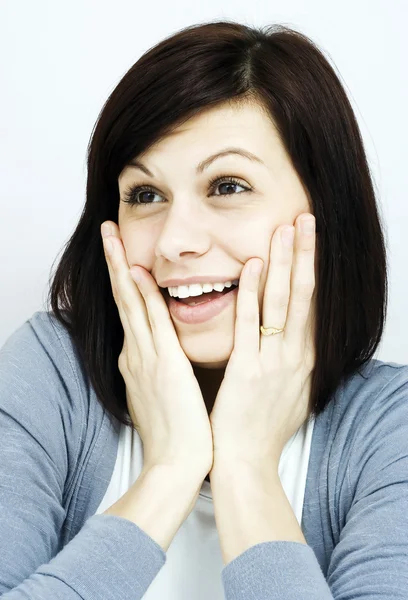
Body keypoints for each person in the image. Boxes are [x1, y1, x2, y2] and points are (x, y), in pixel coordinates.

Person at [0, 20, 407, 600]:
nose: (173, 242)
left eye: (228, 185)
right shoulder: (51, 376)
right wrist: (170, 472)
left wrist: (245, 467)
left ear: (326, 210)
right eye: (145, 195)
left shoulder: (390, 430)